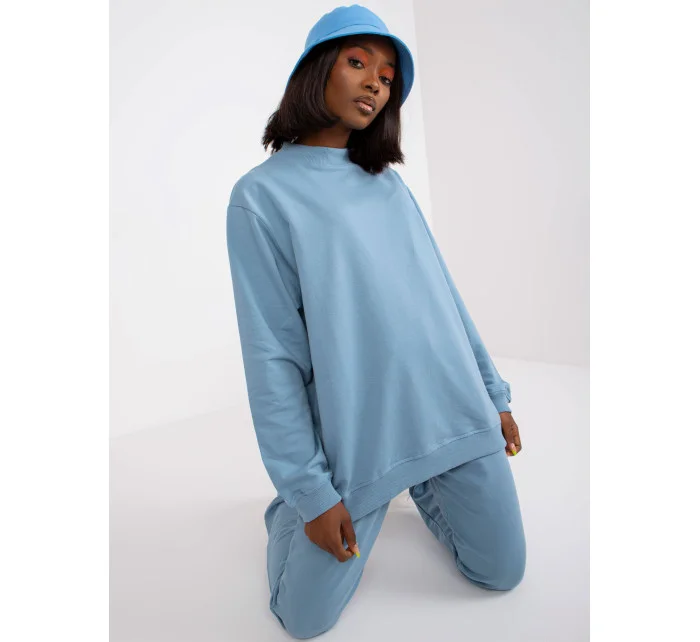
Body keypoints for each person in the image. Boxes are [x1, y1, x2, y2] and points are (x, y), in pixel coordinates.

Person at [225, 4, 526, 638]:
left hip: (451, 407)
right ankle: (293, 511)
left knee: (502, 571)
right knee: (304, 620)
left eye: (387, 77)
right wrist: (309, 492)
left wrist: (493, 395)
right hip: (359, 431)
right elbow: (272, 353)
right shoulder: (261, 196)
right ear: (315, 72)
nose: (374, 84)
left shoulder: (388, 185)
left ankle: (422, 477)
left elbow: (444, 297)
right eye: (358, 63)